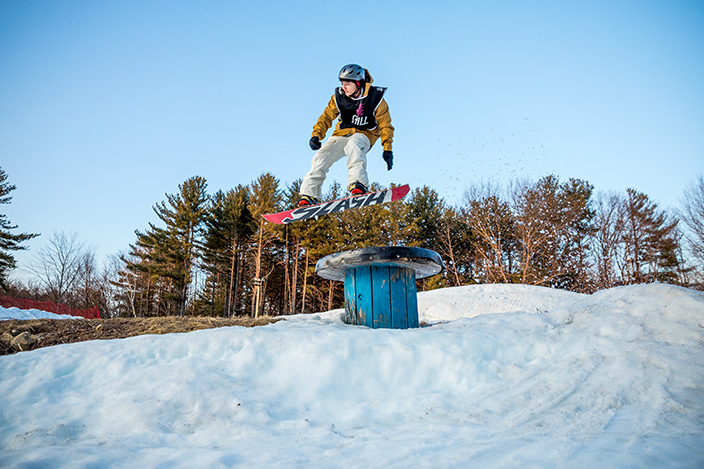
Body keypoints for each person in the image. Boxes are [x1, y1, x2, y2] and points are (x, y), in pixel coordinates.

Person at [297, 64, 395, 207]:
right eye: (342, 83)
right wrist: (316, 136)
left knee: (353, 144)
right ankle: (309, 195)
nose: (344, 87)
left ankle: (358, 185)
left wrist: (387, 149)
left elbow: (385, 125)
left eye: (348, 83)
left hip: (364, 135)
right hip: (342, 134)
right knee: (321, 156)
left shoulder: (376, 98)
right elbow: (326, 117)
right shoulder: (339, 97)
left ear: (358, 83)